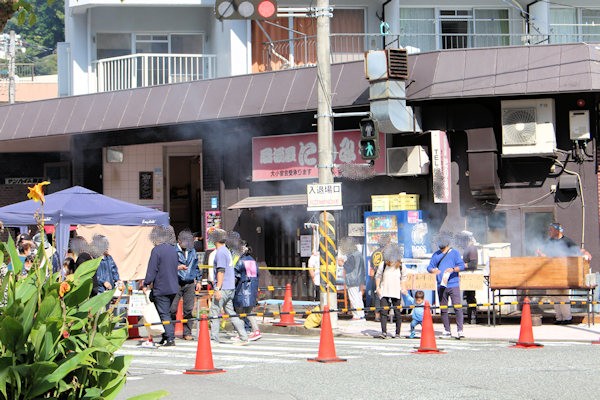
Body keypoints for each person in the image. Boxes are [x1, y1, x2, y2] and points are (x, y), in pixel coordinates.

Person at [537, 222, 590, 325]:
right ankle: (559, 318)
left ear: (558, 231)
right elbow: (545, 254)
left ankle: (567, 318)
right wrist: (541, 254)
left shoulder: (567, 241)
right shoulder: (550, 241)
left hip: (563, 274)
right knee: (554, 297)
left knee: (563, 296)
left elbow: (577, 251)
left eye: (551, 230)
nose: (550, 232)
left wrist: (585, 253)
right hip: (552, 274)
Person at [208, 228, 249, 345]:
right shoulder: (226, 251)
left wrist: (217, 288)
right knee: (231, 313)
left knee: (214, 313)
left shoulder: (220, 252)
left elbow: (221, 271)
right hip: (230, 287)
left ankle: (214, 339)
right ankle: (243, 336)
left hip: (223, 287)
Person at [142, 225, 180, 347]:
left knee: (163, 313)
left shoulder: (156, 250)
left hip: (161, 287)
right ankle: (165, 337)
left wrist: (146, 283)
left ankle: (170, 338)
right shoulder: (173, 250)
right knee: (168, 313)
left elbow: (152, 269)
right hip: (174, 286)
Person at [427, 231, 466, 339]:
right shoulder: (435, 254)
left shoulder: (454, 253)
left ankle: (460, 330)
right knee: (443, 309)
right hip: (441, 285)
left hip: (453, 284)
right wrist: (433, 270)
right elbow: (429, 267)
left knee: (457, 307)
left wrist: (453, 269)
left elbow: (462, 266)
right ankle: (447, 330)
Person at [171, 229, 202, 341]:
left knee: (188, 309)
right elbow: (167, 266)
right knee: (172, 308)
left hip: (189, 283)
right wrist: (177, 268)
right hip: (176, 282)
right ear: (179, 241)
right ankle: (170, 332)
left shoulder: (192, 251)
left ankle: (187, 332)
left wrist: (198, 280)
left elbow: (196, 266)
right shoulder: (173, 251)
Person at [374, 243, 405, 339]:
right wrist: (377, 287)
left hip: (396, 291)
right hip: (384, 291)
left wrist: (403, 287)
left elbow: (404, 277)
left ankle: (397, 333)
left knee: (397, 313)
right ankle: (384, 332)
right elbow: (378, 276)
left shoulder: (401, 265)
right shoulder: (383, 265)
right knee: (384, 312)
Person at [234, 243, 261, 341]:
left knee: (240, 313)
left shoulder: (240, 261)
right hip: (251, 289)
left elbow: (236, 275)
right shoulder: (252, 260)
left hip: (242, 289)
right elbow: (256, 275)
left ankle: (242, 333)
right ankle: (254, 331)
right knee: (249, 311)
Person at [339, 237, 365, 320]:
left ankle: (357, 316)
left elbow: (349, 268)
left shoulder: (352, 256)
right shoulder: (358, 254)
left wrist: (342, 263)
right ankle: (361, 314)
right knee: (358, 298)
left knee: (354, 298)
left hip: (352, 279)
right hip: (359, 278)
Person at [369, 234, 391, 322]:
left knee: (377, 296)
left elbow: (371, 267)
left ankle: (377, 315)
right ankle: (386, 314)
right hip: (385, 276)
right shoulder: (388, 252)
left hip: (376, 276)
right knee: (386, 295)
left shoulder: (375, 253)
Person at [459, 230, 479, 324]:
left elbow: (473, 264)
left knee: (471, 297)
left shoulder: (472, 249)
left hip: (471, 275)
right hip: (467, 275)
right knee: (468, 297)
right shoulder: (468, 248)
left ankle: (473, 318)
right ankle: (470, 318)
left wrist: (462, 266)